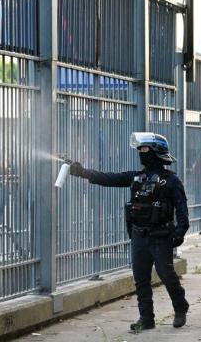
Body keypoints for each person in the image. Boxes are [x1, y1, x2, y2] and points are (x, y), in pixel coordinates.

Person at [66, 132, 190, 331]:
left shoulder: (171, 181)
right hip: (139, 235)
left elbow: (182, 209)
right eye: (139, 149)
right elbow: (110, 178)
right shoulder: (136, 177)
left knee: (166, 274)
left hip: (160, 236)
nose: (141, 153)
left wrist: (180, 231)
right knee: (141, 278)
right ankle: (146, 318)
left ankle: (180, 307)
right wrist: (82, 172)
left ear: (156, 151)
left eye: (144, 149)